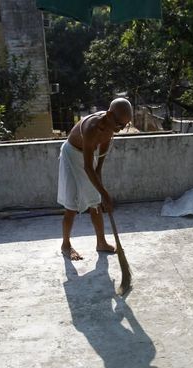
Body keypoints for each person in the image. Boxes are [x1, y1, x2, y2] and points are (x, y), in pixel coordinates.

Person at [58, 98, 133, 260]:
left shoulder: (111, 127)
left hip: (88, 155)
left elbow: (97, 164)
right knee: (72, 204)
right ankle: (66, 245)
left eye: (125, 125)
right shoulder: (92, 128)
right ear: (109, 115)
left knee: (95, 202)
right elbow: (87, 167)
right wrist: (105, 193)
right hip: (71, 154)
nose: (120, 129)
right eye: (119, 124)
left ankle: (101, 242)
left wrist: (99, 186)